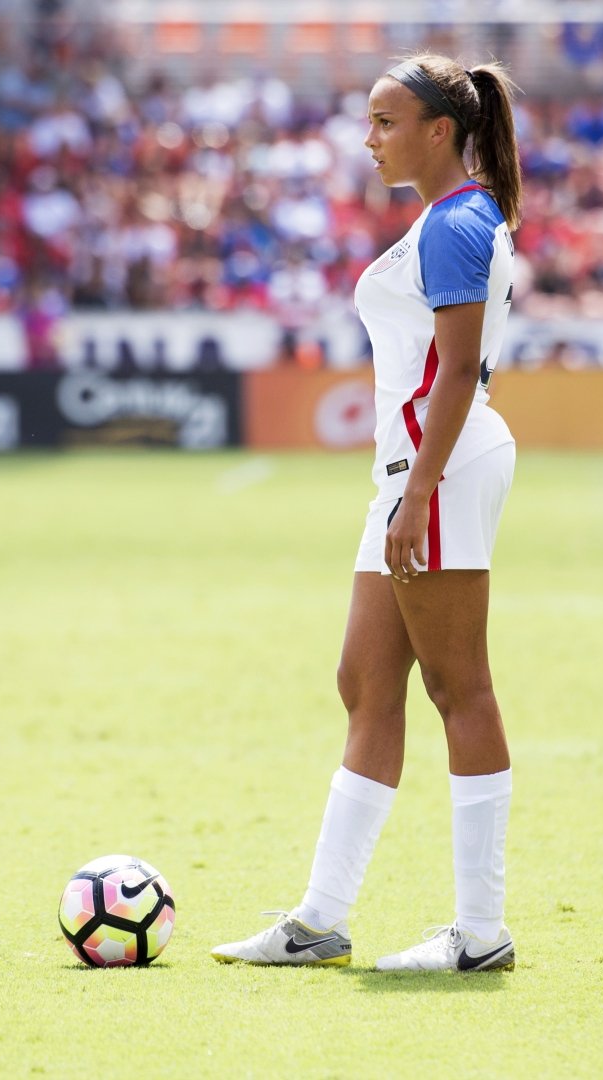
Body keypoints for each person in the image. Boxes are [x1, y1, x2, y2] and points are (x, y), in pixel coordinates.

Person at [211, 54, 523, 973]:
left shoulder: (458, 224)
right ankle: (320, 921)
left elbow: (458, 373)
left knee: (457, 686)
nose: (368, 137)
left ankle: (480, 932)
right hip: (412, 470)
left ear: (440, 131)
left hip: (441, 468)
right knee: (365, 682)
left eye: (386, 121)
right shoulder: (448, 219)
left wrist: (418, 492)